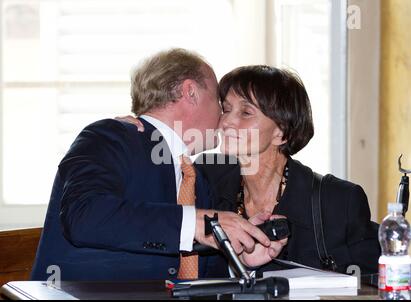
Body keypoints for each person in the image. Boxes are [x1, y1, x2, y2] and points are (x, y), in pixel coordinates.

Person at [31, 49, 273, 281]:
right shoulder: (110, 137)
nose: (223, 117)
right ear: (190, 92)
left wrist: (238, 257)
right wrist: (193, 223)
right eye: (219, 102)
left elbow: (199, 272)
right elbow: (84, 215)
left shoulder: (198, 180)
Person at [125, 65, 381, 276]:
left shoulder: (338, 200)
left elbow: (373, 287)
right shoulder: (205, 176)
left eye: (246, 112)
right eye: (226, 109)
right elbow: (145, 208)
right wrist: (141, 133)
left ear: (281, 132)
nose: (226, 122)